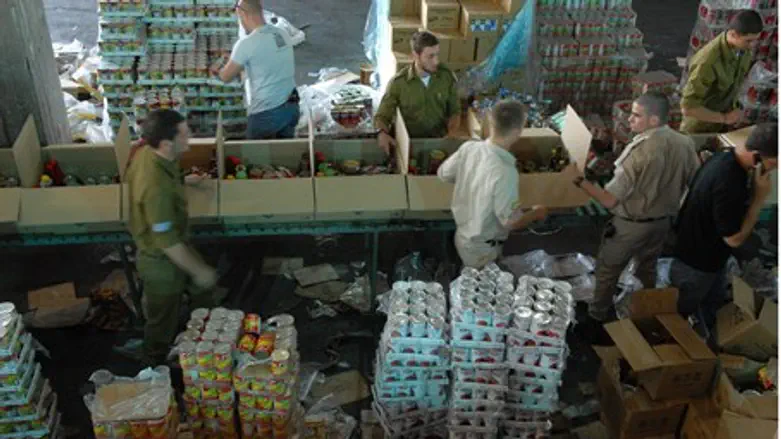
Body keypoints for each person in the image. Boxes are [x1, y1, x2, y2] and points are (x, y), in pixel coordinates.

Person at [573, 93, 700, 322]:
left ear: (653, 120)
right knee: (647, 268)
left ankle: (598, 316)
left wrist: (581, 181)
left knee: (608, 271)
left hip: (631, 226)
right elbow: (695, 182)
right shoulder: (685, 143)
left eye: (635, 115)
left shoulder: (640, 152)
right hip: (662, 224)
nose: (629, 119)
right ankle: (645, 310)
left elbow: (610, 200)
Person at [115, 110, 219, 365]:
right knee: (162, 319)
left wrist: (184, 181)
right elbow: (167, 241)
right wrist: (199, 270)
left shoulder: (151, 153)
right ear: (166, 143)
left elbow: (167, 179)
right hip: (160, 258)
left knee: (205, 293)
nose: (191, 138)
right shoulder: (155, 187)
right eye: (185, 134)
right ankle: (154, 363)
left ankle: (205, 341)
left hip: (175, 242)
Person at [671, 122, 777, 333]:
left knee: (714, 303)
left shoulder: (724, 157)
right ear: (757, 155)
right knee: (678, 314)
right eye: (774, 162)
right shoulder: (730, 183)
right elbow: (734, 239)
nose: (776, 167)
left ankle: (710, 331)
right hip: (697, 263)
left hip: (708, 255)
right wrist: (759, 199)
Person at [437, 100, 548, 268]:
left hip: (463, 236)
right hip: (483, 249)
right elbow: (510, 222)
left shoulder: (469, 148)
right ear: (518, 131)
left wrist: (471, 181)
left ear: (490, 123)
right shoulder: (505, 172)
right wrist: (536, 213)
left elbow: (443, 174)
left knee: (466, 274)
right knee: (478, 287)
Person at [214, 0, 299, 140]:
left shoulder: (246, 44)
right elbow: (267, 55)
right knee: (285, 153)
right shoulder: (281, 33)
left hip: (267, 112)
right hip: (292, 107)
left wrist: (217, 67)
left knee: (255, 156)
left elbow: (225, 77)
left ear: (242, 13)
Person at [374, 31, 461, 155]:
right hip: (408, 145)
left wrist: (451, 133)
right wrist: (382, 133)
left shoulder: (446, 77)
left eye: (437, 55)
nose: (436, 61)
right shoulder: (398, 83)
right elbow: (382, 116)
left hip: (438, 143)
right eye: (430, 56)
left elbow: (455, 111)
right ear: (415, 55)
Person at [680, 10, 763, 134]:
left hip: (722, 121)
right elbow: (688, 108)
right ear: (734, 34)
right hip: (700, 128)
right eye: (749, 41)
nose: (752, 45)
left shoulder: (741, 49)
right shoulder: (708, 62)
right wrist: (724, 118)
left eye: (755, 40)